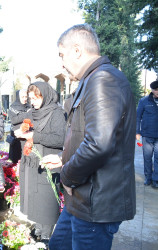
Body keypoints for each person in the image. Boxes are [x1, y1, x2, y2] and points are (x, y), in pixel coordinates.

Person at [42, 24, 136, 250]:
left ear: (77, 50)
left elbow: (99, 144)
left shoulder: (103, 79)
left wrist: (67, 174)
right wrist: (65, 158)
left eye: (62, 55)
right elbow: (89, 136)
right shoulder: (92, 79)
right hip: (82, 200)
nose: (61, 63)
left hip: (96, 205)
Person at [14, 82, 66, 244]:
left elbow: (60, 139)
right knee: (34, 197)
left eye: (36, 98)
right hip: (32, 161)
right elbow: (26, 127)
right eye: (30, 99)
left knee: (46, 199)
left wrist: (33, 136)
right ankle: (37, 228)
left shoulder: (57, 113)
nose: (33, 102)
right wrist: (23, 133)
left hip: (48, 162)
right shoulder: (32, 112)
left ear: (45, 95)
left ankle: (46, 235)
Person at [136, 80, 158, 188]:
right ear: (152, 90)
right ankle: (148, 178)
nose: (157, 91)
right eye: (155, 90)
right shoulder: (144, 101)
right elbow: (138, 117)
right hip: (147, 135)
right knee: (147, 157)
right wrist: (137, 132)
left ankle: (156, 180)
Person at [8, 89, 30, 163]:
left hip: (26, 136)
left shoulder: (29, 107)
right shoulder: (13, 107)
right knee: (16, 158)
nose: (24, 99)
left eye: (26, 97)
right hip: (16, 137)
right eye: (22, 97)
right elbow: (14, 120)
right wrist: (26, 116)